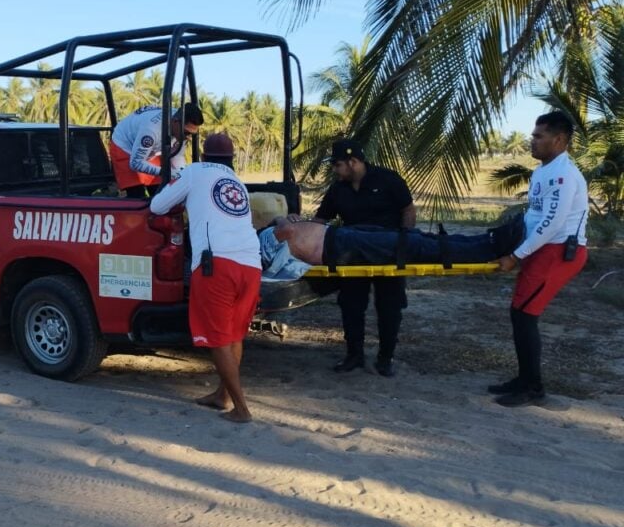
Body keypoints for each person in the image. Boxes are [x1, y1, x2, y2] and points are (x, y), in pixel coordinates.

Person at [150, 132, 261, 423]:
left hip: (217, 265)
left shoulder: (194, 172)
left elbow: (157, 206)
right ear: (231, 159)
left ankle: (241, 409)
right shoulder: (238, 183)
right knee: (235, 334)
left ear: (203, 154)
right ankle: (222, 395)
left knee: (217, 338)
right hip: (251, 264)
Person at [489, 111, 589, 407]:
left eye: (538, 136)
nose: (531, 141)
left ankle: (533, 387)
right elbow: (535, 217)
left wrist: (516, 256)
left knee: (524, 315)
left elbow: (553, 223)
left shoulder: (563, 175)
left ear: (558, 140)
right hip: (542, 249)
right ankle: (524, 380)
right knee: (520, 313)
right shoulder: (544, 170)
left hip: (559, 252)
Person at [310, 139, 416, 376]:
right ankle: (354, 355)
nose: (335, 170)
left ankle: (385, 358)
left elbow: (408, 210)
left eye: (337, 165)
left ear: (353, 162)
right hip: (352, 257)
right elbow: (321, 219)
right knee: (351, 305)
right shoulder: (339, 188)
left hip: (387, 255)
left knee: (389, 307)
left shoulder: (388, 179)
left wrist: (405, 242)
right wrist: (300, 231)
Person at [262, 214, 524, 270]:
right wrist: (281, 220)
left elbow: (284, 227)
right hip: (339, 248)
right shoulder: (256, 244)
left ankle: (490, 239)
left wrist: (278, 218)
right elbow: (285, 231)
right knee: (413, 246)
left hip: (341, 237)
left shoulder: (257, 235)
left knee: (415, 238)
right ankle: (490, 248)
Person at [110, 102, 203, 198]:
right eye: (186, 133)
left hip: (151, 149)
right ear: (175, 122)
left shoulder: (180, 125)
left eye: (192, 134)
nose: (188, 137)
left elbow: (177, 156)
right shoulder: (151, 131)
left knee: (160, 194)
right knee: (137, 198)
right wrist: (167, 172)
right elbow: (135, 163)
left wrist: (180, 174)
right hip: (124, 146)